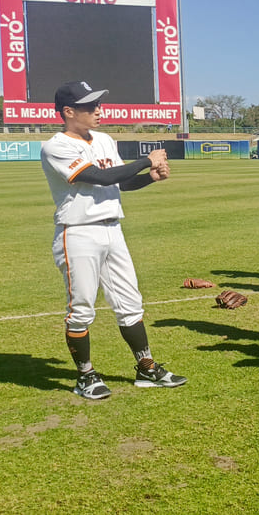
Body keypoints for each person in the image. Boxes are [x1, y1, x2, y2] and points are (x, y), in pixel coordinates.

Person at [41, 80, 187, 399]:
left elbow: (119, 184)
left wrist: (149, 178)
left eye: (97, 104)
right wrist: (148, 160)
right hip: (78, 232)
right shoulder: (56, 146)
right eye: (89, 106)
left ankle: (146, 368)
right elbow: (100, 176)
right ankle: (86, 376)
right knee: (81, 308)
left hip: (113, 230)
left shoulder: (105, 140)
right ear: (68, 112)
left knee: (130, 302)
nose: (98, 110)